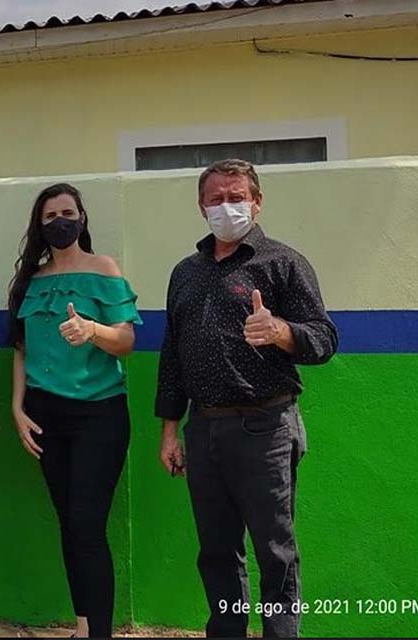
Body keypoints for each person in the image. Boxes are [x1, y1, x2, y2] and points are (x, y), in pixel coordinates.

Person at [156, 159, 338, 637]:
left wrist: (279, 330)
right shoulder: (184, 273)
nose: (227, 207)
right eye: (216, 199)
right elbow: (172, 355)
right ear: (201, 207)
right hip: (204, 429)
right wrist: (171, 431)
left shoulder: (283, 263)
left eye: (237, 197)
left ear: (257, 202)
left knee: (275, 552)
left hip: (266, 429)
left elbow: (324, 339)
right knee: (216, 551)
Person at [7, 183, 139, 638]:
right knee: (70, 523)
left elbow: (126, 343)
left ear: (82, 217)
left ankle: (98, 631)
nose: (60, 221)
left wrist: (92, 330)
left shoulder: (104, 270)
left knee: (86, 524)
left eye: (67, 212)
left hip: (99, 414)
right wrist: (17, 408)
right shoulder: (32, 279)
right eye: (50, 216)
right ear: (39, 227)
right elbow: (21, 349)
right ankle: (84, 626)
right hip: (45, 415)